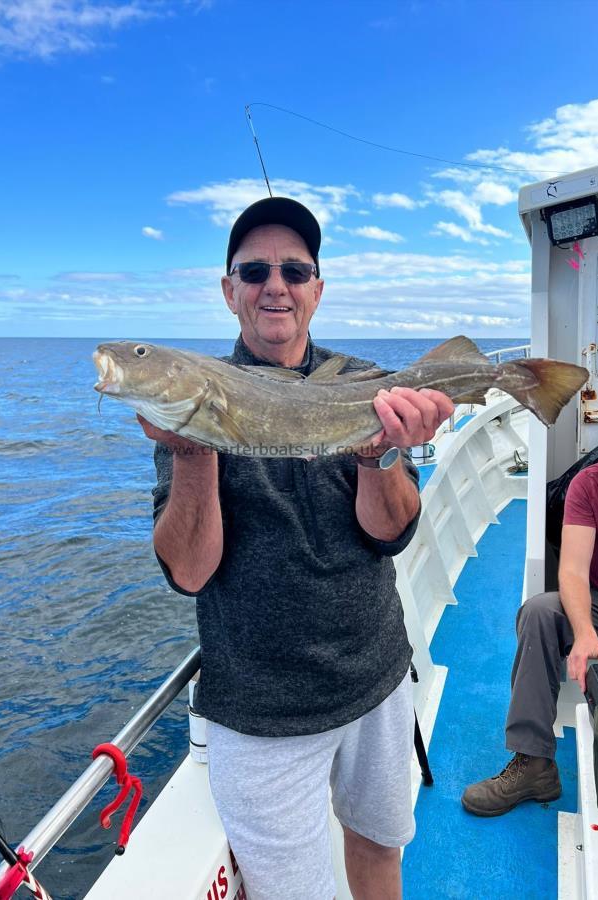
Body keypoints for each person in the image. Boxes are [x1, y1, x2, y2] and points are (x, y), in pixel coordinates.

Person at [138, 197, 454, 899]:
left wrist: (377, 458)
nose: (273, 285)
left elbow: (392, 533)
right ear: (229, 291)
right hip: (260, 711)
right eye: (253, 271)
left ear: (316, 287)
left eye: (293, 269)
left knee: (379, 850)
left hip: (374, 676)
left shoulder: (364, 386)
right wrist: (195, 448)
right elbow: (189, 572)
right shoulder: (193, 399)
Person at [462, 459, 598, 817]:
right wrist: (585, 632)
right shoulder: (591, 484)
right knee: (541, 612)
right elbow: (572, 571)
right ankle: (534, 762)